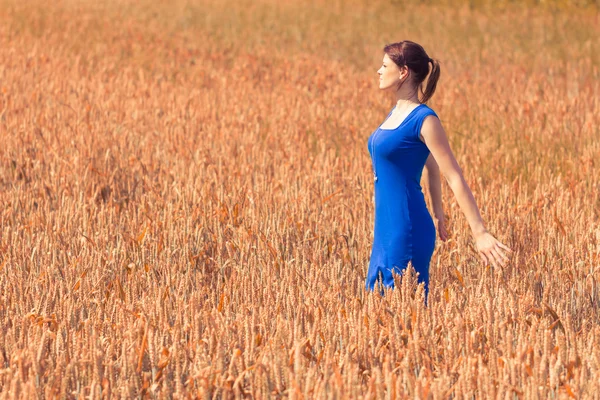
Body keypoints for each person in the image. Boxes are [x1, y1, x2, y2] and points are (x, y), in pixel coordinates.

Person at [366, 40, 510, 298]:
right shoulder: (395, 113)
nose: (378, 70)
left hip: (405, 229)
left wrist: (480, 232)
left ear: (403, 72)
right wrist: (438, 212)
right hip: (385, 228)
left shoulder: (425, 120)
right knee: (377, 309)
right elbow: (430, 165)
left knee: (403, 310)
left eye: (384, 65)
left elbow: (453, 176)